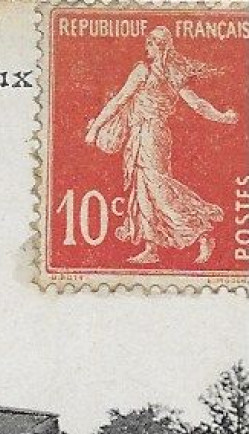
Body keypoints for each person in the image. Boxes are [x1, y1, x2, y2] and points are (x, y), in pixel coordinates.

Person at [84, 25, 239, 266]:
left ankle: (201, 232)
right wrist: (223, 117)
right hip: (148, 135)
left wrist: (94, 129)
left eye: (150, 44)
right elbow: (197, 104)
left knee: (158, 189)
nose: (146, 48)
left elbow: (118, 101)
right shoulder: (173, 75)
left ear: (159, 47)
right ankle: (151, 247)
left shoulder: (144, 72)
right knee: (143, 190)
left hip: (150, 134)